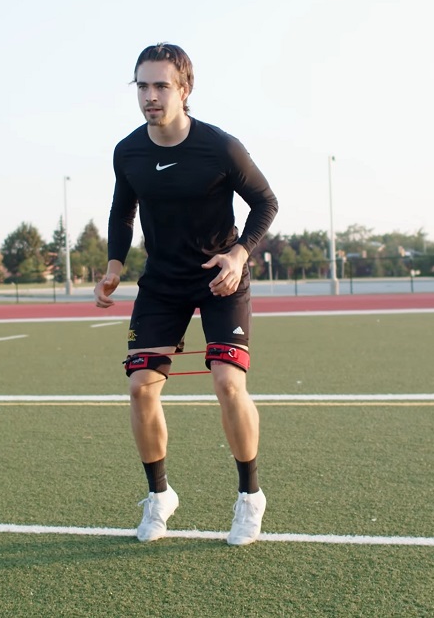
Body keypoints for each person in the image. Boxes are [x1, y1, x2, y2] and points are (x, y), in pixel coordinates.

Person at [95, 43, 279, 546]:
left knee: (226, 382)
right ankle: (159, 497)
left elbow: (265, 201)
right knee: (140, 387)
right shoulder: (128, 151)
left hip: (220, 276)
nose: (150, 96)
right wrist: (114, 266)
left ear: (184, 89)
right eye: (142, 86)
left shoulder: (220, 147)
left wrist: (239, 254)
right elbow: (120, 213)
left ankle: (250, 497)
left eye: (161, 86)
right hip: (162, 283)